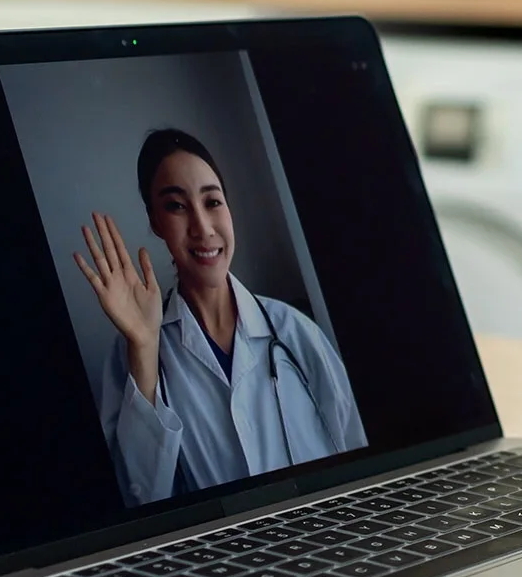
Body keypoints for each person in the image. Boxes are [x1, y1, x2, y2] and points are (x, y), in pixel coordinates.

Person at [74, 128, 367, 506]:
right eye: (176, 206)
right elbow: (141, 498)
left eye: (212, 202)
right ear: (155, 221)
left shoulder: (295, 332)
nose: (203, 228)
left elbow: (360, 461)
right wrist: (145, 348)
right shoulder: (131, 352)